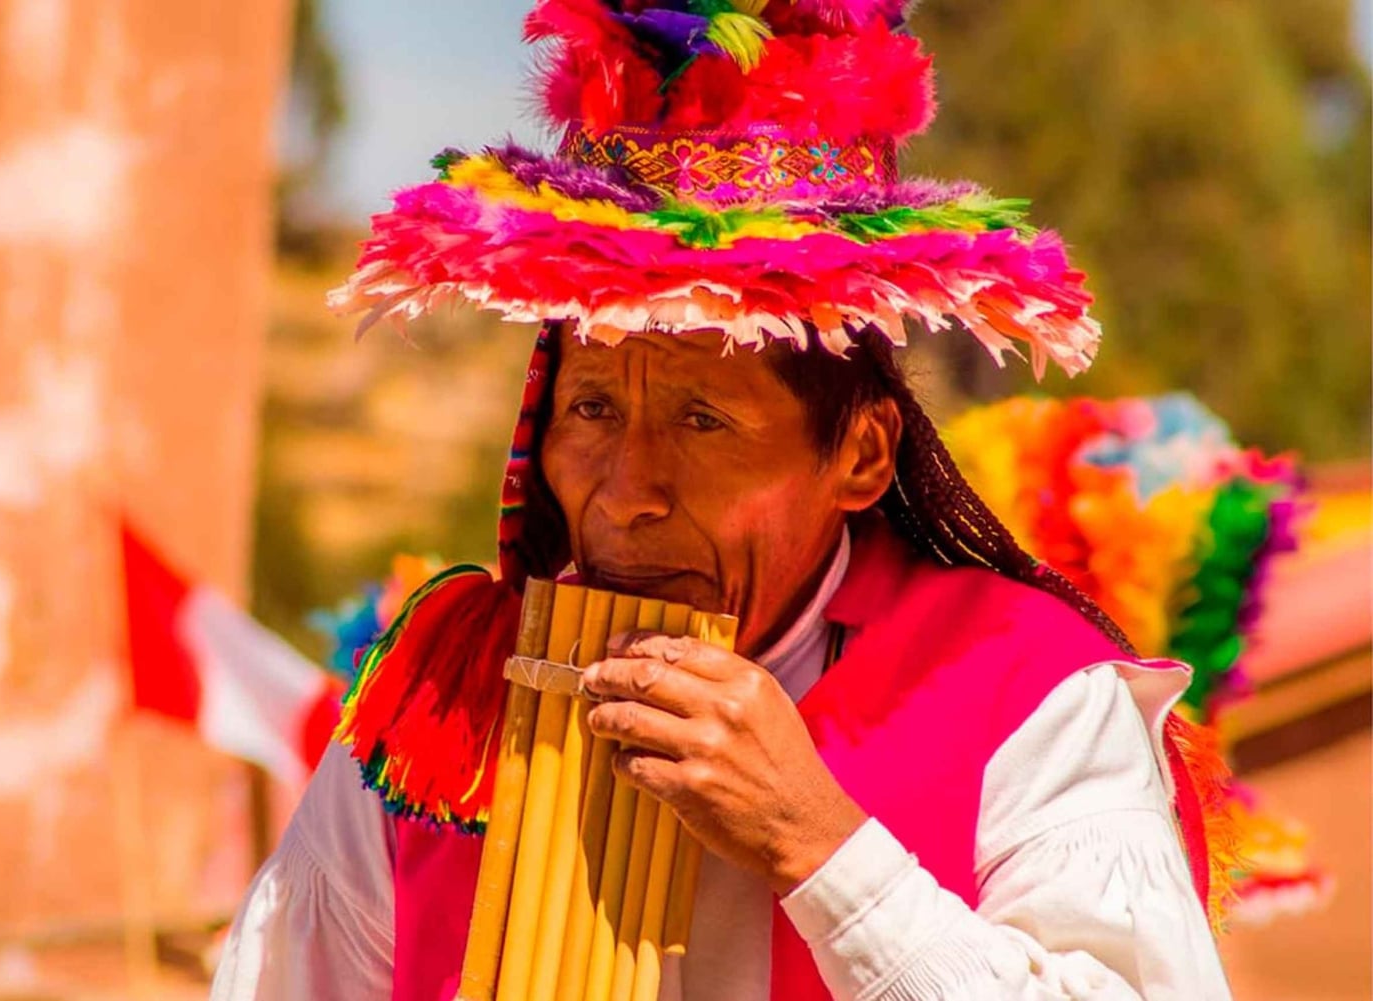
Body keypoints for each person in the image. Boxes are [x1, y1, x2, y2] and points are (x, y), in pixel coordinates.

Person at [214, 2, 1235, 998]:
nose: (626, 494)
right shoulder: (436, 717)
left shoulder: (1030, 696)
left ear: (862, 455)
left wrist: (820, 846)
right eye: (593, 408)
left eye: (703, 420)